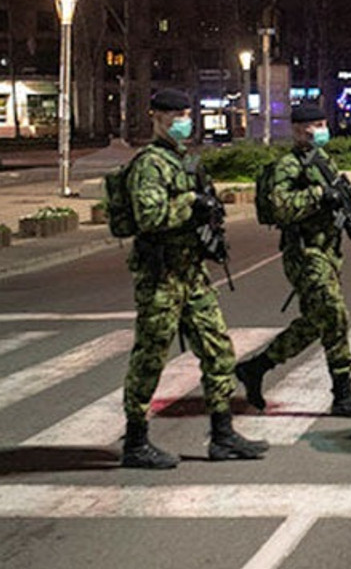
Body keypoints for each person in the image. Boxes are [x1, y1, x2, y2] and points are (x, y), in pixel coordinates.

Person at [121, 88, 268, 469]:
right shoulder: (149, 164)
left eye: (186, 114)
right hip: (162, 276)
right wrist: (191, 205)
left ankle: (222, 435)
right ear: (156, 117)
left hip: (192, 273)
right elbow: (149, 218)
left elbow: (205, 207)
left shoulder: (186, 161)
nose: (183, 121)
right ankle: (135, 442)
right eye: (175, 115)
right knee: (150, 358)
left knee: (219, 350)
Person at [234, 103, 351, 418]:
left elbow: (334, 203)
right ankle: (343, 393)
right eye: (315, 124)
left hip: (328, 252)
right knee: (334, 312)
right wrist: (319, 195)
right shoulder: (288, 165)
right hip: (304, 252)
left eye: (323, 122)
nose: (321, 128)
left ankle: (256, 367)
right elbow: (281, 206)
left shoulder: (322, 159)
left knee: (316, 322)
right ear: (299, 130)